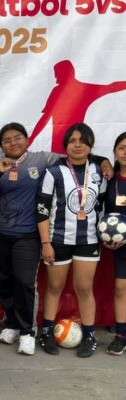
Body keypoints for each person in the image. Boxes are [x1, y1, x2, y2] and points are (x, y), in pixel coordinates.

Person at [0, 122, 112, 356]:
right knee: (4, 281)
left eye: (17, 138)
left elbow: (77, 155)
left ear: (27, 139)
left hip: (29, 234)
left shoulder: (43, 159)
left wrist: (103, 160)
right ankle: (12, 324)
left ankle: (28, 332)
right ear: (1, 146)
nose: (13, 143)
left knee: (25, 282)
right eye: (7, 140)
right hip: (0, 231)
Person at [37, 123, 106, 358]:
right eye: (73, 141)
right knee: (54, 287)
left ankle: (89, 335)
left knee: (84, 289)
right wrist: (45, 243)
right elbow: (42, 210)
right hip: (58, 239)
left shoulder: (99, 170)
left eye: (83, 141)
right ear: (65, 145)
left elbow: (104, 206)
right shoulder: (53, 172)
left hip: (88, 240)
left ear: (90, 145)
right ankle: (46, 332)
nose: (78, 145)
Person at [103, 131, 126, 355]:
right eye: (122, 148)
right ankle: (121, 335)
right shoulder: (111, 180)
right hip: (121, 246)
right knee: (121, 288)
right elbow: (107, 214)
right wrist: (109, 237)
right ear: (115, 152)